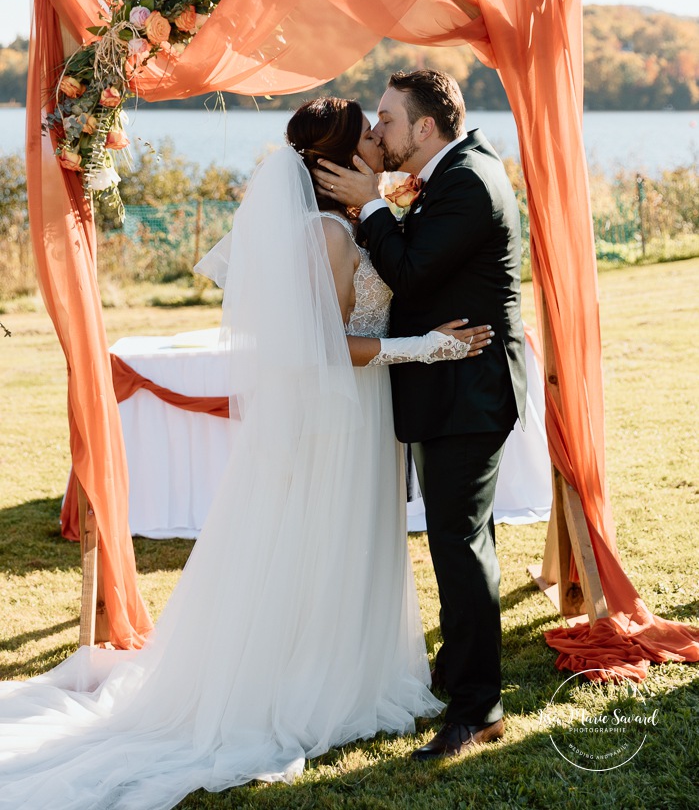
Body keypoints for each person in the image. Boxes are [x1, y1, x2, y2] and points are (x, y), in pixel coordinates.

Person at [0, 97, 493, 809]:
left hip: (363, 411)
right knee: (323, 542)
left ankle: (351, 667)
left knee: (346, 541)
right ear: (338, 161)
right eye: (367, 132)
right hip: (339, 416)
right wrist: (423, 348)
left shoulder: (352, 223)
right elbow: (320, 347)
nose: (378, 138)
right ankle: (313, 682)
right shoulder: (328, 234)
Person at [314, 71, 527, 759]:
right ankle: (458, 672)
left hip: (468, 390)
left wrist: (371, 206)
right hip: (450, 388)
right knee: (460, 542)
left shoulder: (467, 181)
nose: (377, 130)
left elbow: (409, 272)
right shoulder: (451, 175)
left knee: (458, 547)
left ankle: (478, 709)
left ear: (425, 127)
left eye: (386, 118)